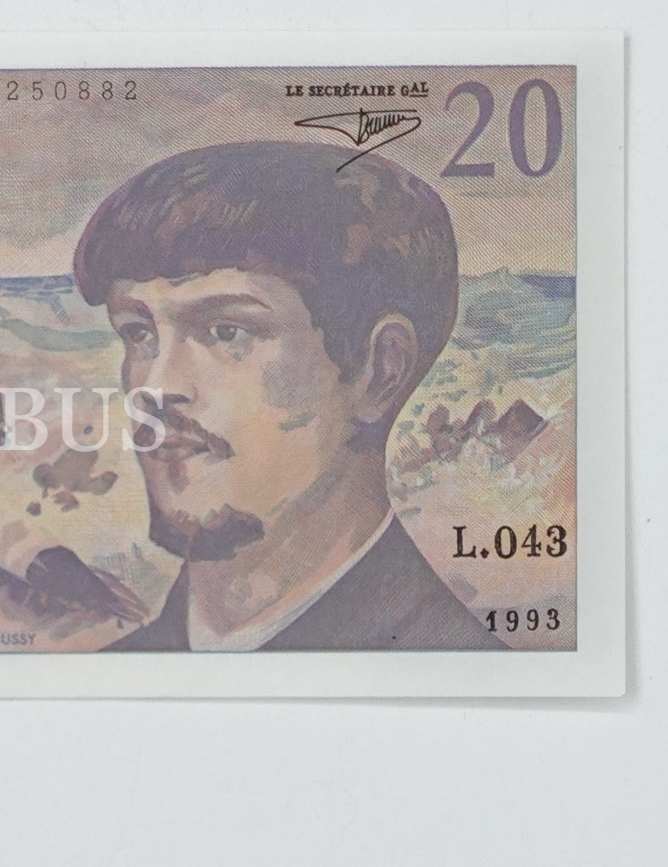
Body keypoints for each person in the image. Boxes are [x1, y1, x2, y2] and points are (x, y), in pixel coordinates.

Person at [73, 141, 501, 651]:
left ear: (381, 371)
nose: (156, 387)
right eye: (138, 332)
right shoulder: (109, 672)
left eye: (226, 331)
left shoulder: (457, 665)